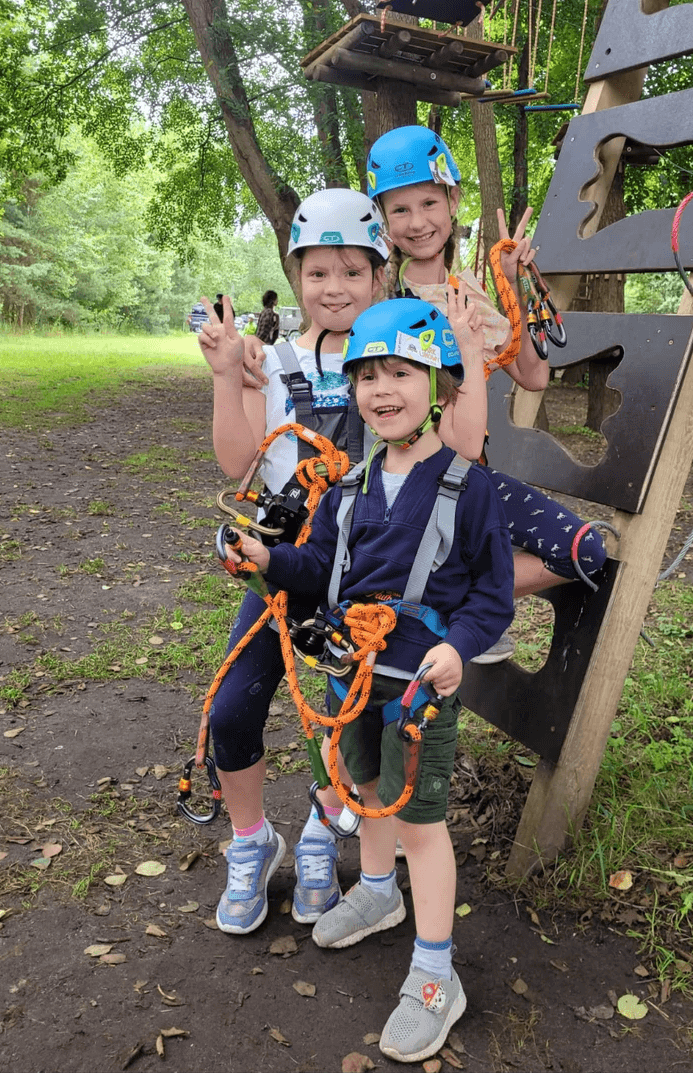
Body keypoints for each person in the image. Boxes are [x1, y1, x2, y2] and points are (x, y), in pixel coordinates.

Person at [224, 297, 514, 1063]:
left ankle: (433, 973)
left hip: (419, 687)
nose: (383, 390)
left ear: (438, 385)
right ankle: (378, 891)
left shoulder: (467, 486)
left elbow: (491, 593)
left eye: (401, 373)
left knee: (420, 822)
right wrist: (265, 559)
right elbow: (317, 572)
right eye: (368, 376)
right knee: (363, 791)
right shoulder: (347, 489)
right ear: (351, 389)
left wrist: (463, 648)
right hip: (352, 675)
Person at [196, 189, 486, 937]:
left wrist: (472, 355)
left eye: (352, 273)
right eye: (317, 273)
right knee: (232, 708)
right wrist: (230, 375)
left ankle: (329, 825)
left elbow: (459, 451)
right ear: (295, 278)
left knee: (347, 720)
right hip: (294, 563)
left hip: (368, 585)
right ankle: (253, 842)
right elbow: (240, 463)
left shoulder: (401, 357)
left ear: (379, 276)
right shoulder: (279, 360)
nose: (334, 289)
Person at [367, 125, 607, 604]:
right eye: (400, 209)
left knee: (582, 551)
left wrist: (509, 282)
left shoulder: (468, 293)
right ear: (382, 218)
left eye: (429, 204)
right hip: (411, 478)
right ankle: (435, 590)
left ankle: (446, 592)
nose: (417, 222)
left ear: (453, 201)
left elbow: (534, 376)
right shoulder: (380, 297)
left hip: (469, 473)